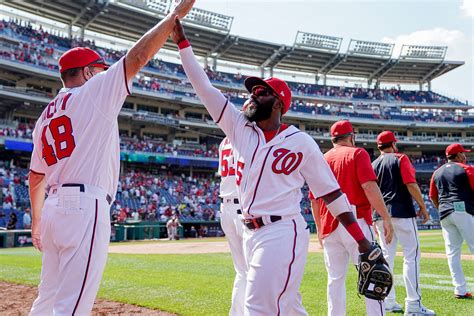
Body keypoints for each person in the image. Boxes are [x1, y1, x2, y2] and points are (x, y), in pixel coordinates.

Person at [171, 19, 374, 315]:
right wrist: (182, 44)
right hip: (250, 231)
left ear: (278, 104)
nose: (253, 95)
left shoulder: (300, 142)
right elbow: (204, 88)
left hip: (282, 230)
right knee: (288, 307)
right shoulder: (240, 128)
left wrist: (363, 241)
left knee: (257, 306)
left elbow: (331, 195)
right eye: (253, 91)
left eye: (261, 92)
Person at [27, 1, 195, 314]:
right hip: (83, 207)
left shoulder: (44, 116)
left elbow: (36, 175)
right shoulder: (93, 90)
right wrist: (173, 18)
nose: (105, 74)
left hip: (52, 208)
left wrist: (37, 220)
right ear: (88, 72)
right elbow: (139, 57)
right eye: (100, 70)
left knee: (46, 299)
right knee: (71, 307)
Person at [309, 120, 394, 316]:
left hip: (329, 224)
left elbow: (314, 199)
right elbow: (369, 187)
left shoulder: (322, 159)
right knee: (373, 273)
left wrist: (320, 229)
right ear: (351, 136)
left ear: (333, 139)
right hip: (356, 223)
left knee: (335, 279)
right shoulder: (358, 153)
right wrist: (386, 217)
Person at [372, 131, 435, 315]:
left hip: (381, 215)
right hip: (402, 213)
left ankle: (389, 302)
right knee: (411, 256)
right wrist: (423, 206)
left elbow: (370, 191)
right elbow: (411, 183)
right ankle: (414, 305)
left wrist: (374, 217)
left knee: (386, 258)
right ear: (393, 144)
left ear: (378, 147)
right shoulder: (400, 158)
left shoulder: (373, 164)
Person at [429, 143, 473, 299]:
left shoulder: (437, 172)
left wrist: (441, 208)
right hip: (463, 210)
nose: (465, 156)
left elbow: (433, 196)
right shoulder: (467, 169)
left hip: (445, 213)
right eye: (463, 153)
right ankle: (460, 290)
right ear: (458, 155)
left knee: (452, 254)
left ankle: (459, 290)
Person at [218, 136, 247, 316]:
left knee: (242, 271)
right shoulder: (246, 138)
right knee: (254, 271)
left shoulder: (224, 142)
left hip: (225, 207)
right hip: (241, 208)